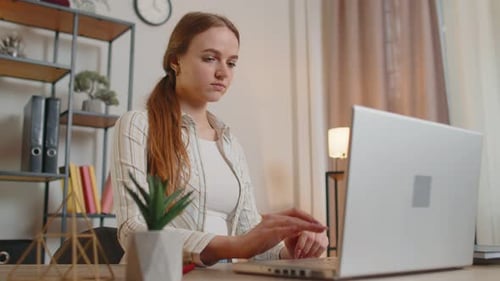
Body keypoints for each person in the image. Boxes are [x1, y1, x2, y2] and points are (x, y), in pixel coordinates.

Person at [111, 11, 328, 266]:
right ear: (175, 61)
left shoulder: (230, 144)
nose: (223, 73)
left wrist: (288, 250)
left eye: (231, 62)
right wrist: (234, 246)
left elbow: (248, 235)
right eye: (210, 58)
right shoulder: (138, 125)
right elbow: (131, 229)